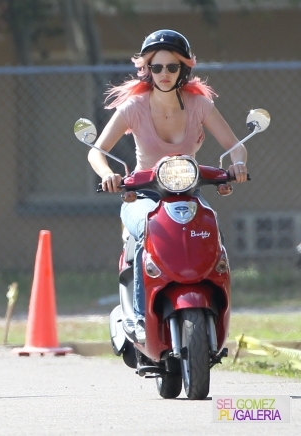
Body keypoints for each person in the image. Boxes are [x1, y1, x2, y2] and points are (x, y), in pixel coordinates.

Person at [88, 29, 248, 344]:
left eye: (171, 67)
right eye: (156, 67)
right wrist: (107, 173)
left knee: (212, 230)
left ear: (183, 69)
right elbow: (96, 150)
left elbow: (235, 145)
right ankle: (136, 317)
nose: (163, 74)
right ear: (146, 69)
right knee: (148, 228)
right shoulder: (134, 106)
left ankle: (215, 307)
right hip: (142, 194)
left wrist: (237, 165)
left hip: (189, 192)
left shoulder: (199, 104)